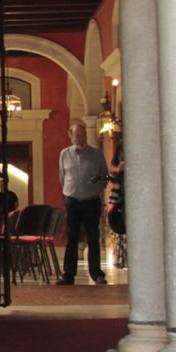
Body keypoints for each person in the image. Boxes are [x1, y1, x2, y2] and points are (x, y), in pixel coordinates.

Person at [57, 121, 109, 285]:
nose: (81, 138)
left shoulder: (97, 153)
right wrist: (69, 191)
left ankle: (96, 274)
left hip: (91, 200)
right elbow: (62, 176)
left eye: (83, 135)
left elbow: (104, 175)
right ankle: (68, 275)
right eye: (77, 135)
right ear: (70, 136)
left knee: (93, 237)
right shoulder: (64, 154)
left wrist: (96, 188)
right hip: (72, 200)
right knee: (72, 237)